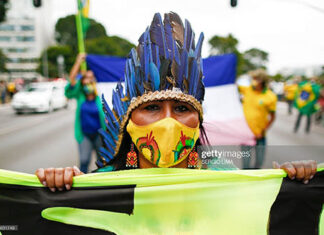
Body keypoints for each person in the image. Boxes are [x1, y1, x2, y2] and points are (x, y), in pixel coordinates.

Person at [35, 12, 317, 192]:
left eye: (182, 108)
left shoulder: (227, 178)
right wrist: (58, 186)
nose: (167, 122)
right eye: (152, 107)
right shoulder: (100, 186)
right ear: (128, 121)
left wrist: (294, 186)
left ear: (198, 121)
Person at [64, 53, 106, 173]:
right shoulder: (80, 95)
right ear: (82, 82)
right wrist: (78, 61)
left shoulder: (100, 97)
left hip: (99, 134)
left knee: (102, 161)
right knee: (84, 160)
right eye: (86, 78)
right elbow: (71, 81)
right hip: (85, 135)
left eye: (91, 78)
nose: (88, 81)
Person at [239, 69, 277, 169]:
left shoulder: (270, 96)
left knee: (258, 165)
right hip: (245, 134)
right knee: (245, 166)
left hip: (260, 136)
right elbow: (232, 86)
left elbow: (273, 117)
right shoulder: (247, 90)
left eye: (256, 79)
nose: (254, 80)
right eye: (253, 78)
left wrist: (263, 131)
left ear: (262, 81)